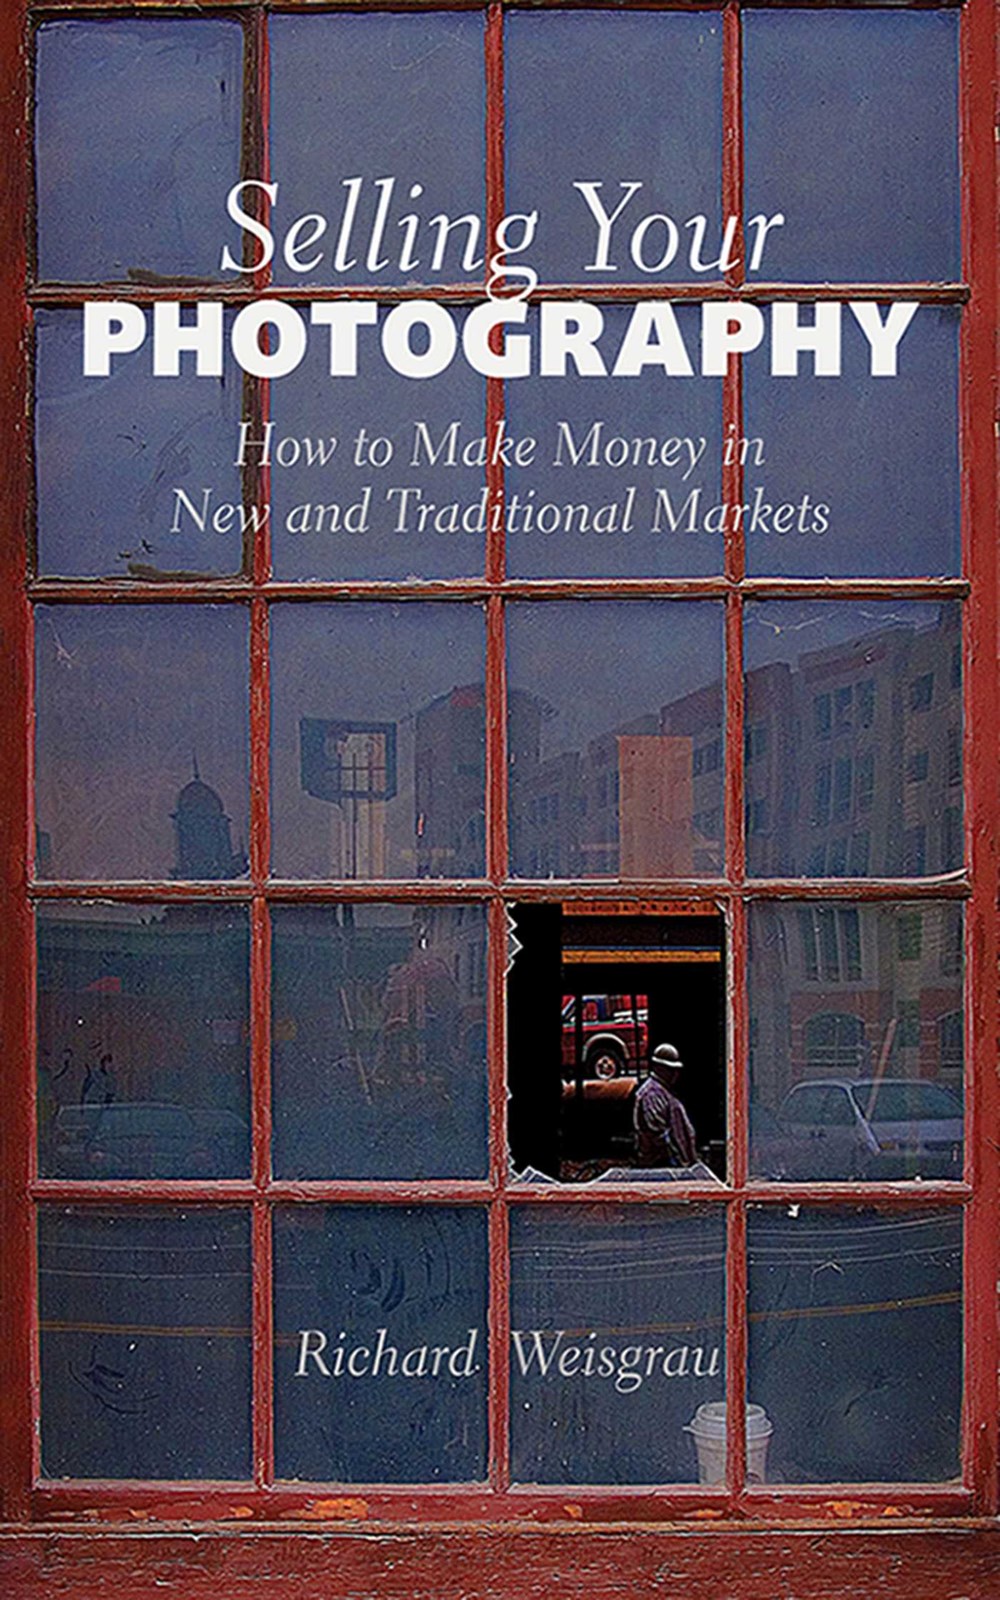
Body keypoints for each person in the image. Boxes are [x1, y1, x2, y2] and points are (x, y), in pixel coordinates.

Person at [634, 1042, 697, 1168]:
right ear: (658, 1067)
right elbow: (658, 1135)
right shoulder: (652, 1094)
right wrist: (676, 1160)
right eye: (670, 1069)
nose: (675, 1074)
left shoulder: (664, 1091)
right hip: (661, 1165)